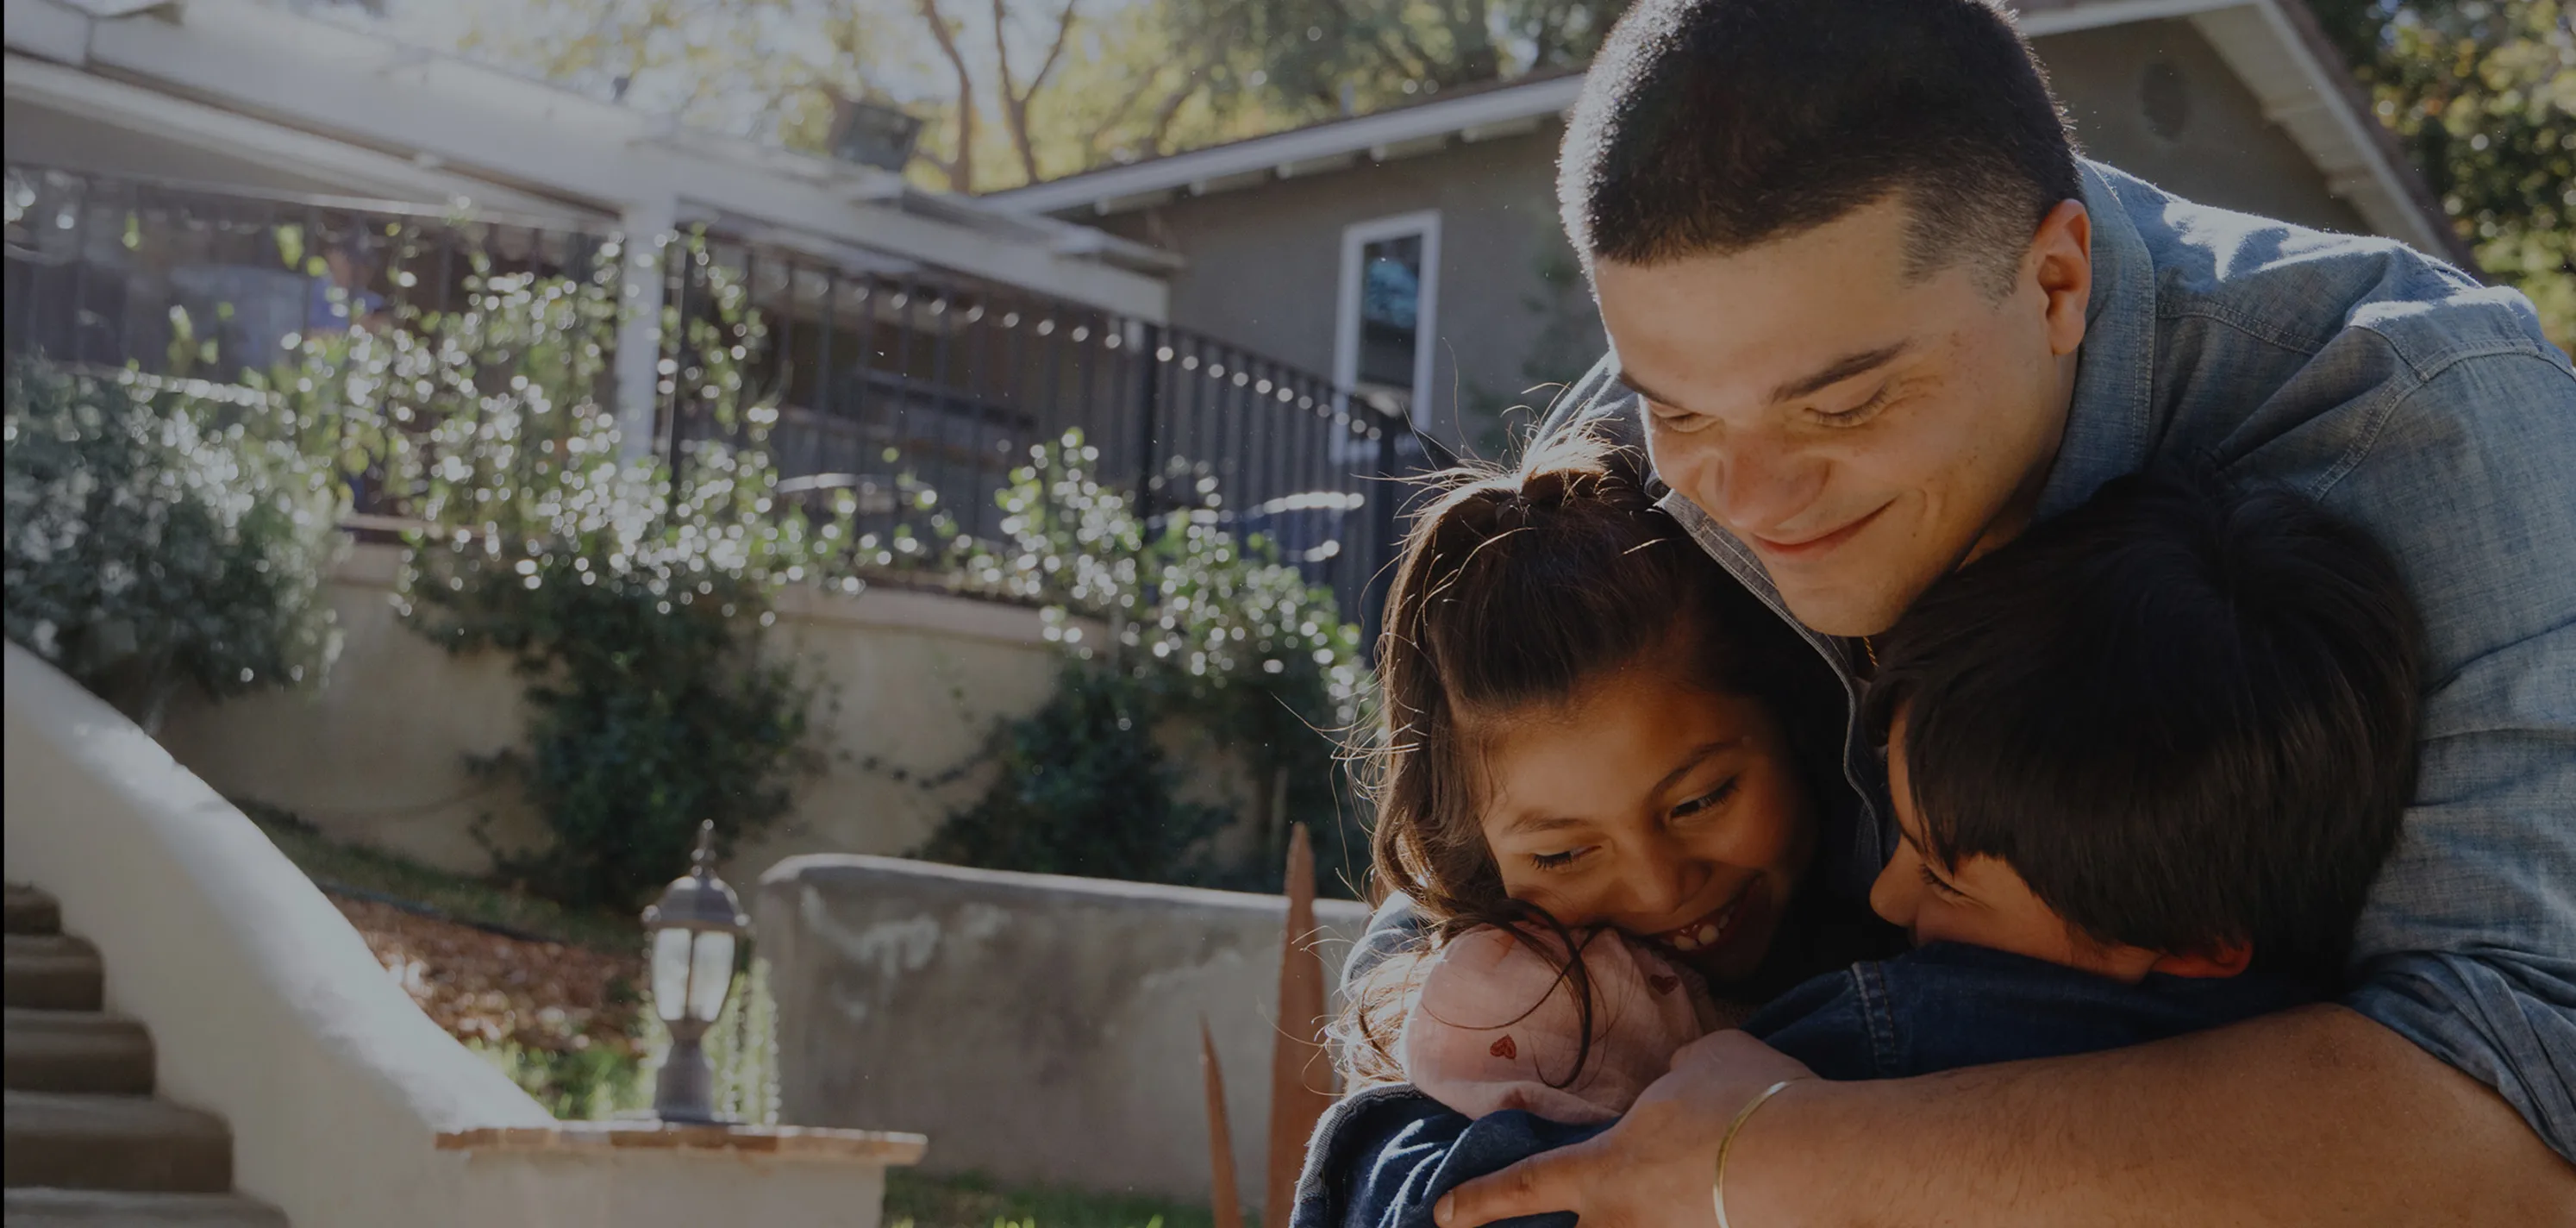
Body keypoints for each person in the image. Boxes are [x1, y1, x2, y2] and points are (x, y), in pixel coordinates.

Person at [1323, 0, 2576, 1221]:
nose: (1746, 500)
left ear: (2056, 280)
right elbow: (1434, 926)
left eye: (1844, 406)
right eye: (1683, 414)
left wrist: (1782, 1158)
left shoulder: (2428, 430)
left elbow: (2525, 1134)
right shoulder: (1655, 431)